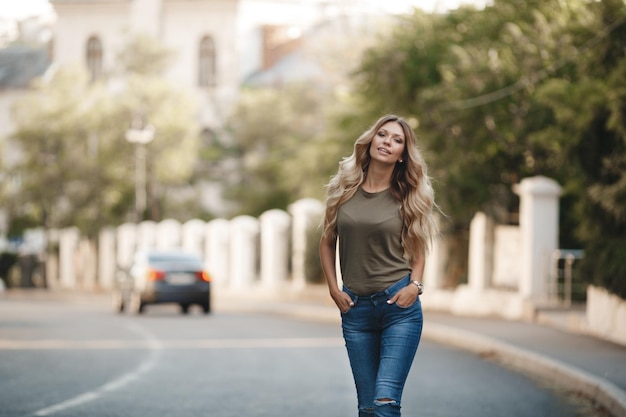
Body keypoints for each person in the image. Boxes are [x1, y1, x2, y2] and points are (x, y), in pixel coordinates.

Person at [319, 114, 438, 417]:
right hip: (355, 310)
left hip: (398, 308)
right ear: (371, 140)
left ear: (402, 155)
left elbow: (419, 248)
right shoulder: (343, 189)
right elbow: (327, 240)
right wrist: (334, 289)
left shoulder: (408, 196)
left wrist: (415, 285)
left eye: (397, 140)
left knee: (385, 403)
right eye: (383, 135)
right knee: (368, 408)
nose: (387, 142)